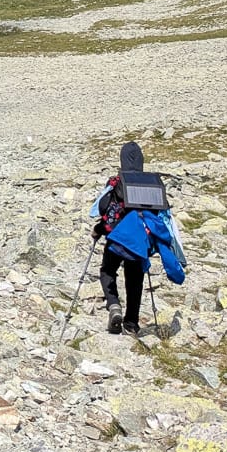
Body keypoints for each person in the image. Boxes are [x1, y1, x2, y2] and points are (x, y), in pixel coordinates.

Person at [92, 142, 146, 335]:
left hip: (116, 239)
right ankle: (131, 323)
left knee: (107, 270)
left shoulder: (115, 182)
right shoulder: (150, 184)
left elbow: (103, 209)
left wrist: (99, 229)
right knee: (135, 280)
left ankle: (114, 305)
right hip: (139, 242)